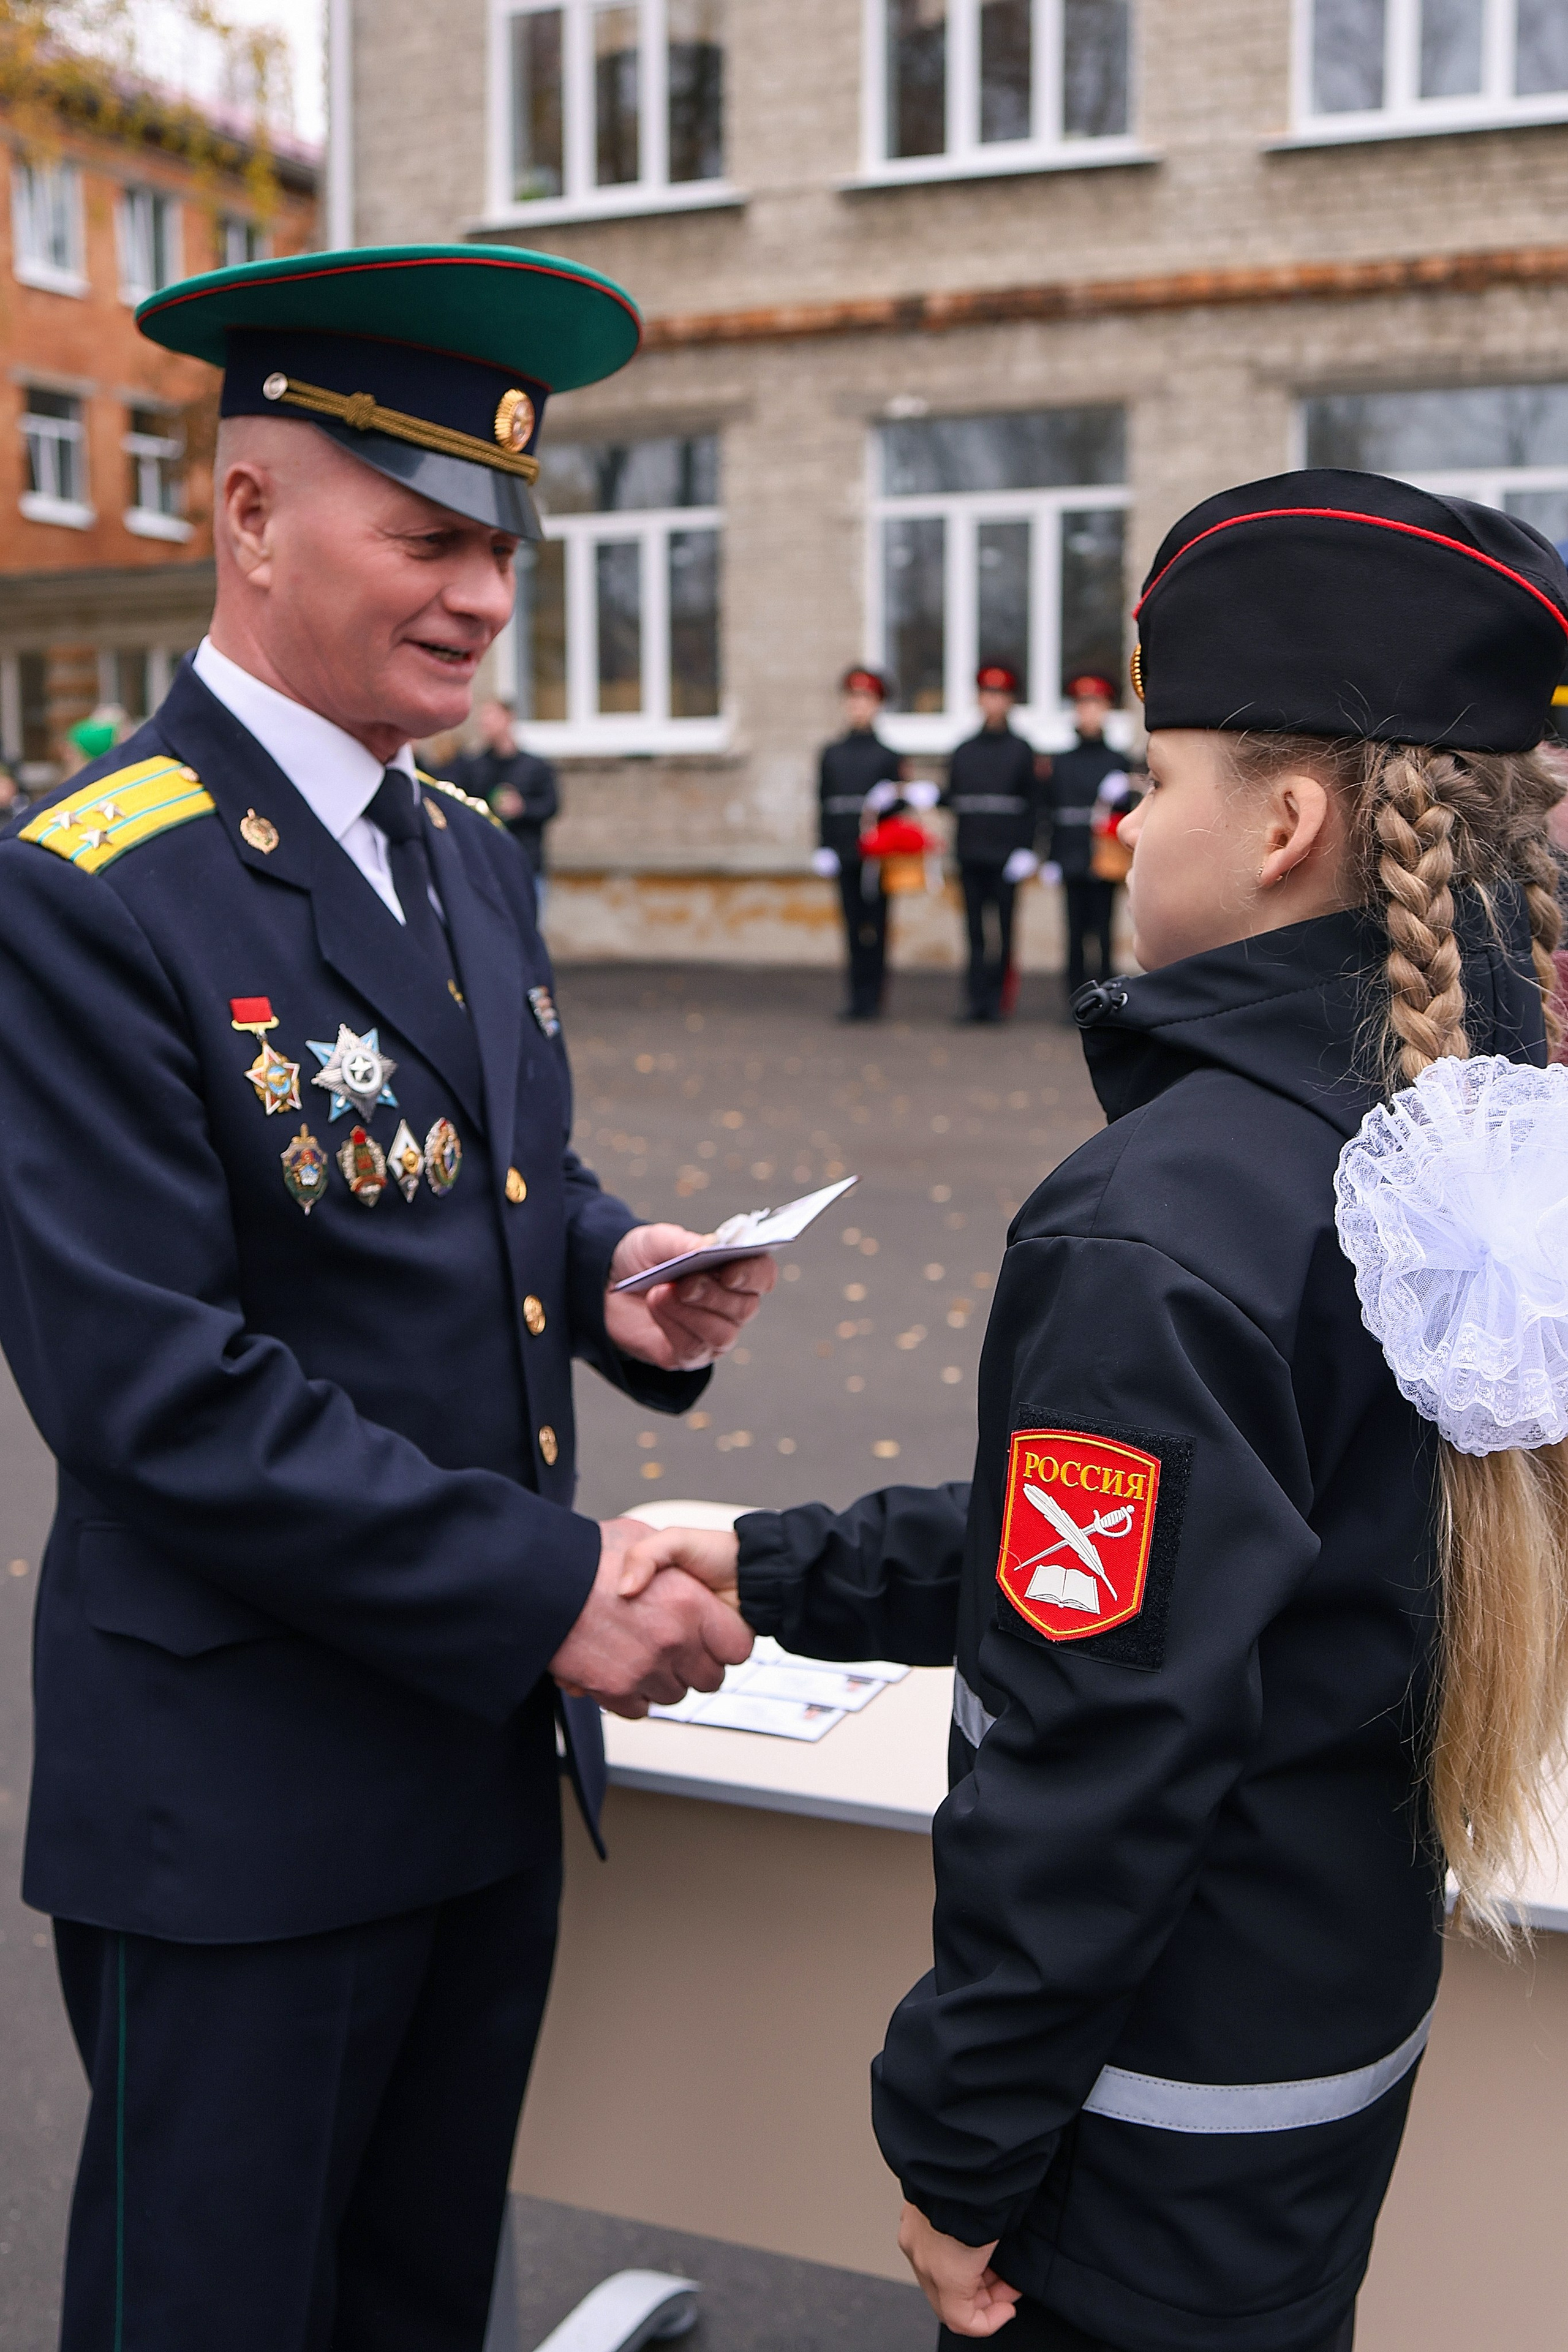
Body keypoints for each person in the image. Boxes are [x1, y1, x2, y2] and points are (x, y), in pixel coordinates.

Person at [621, 468, 1568, 2351]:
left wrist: (957, 2151)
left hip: (1136, 2142)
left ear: (1286, 821)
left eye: (1154, 784)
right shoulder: (1470, 1154)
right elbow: (1186, 1565)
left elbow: (1096, 1745)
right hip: (1312, 2071)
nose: (1124, 830)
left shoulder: (1164, 1213)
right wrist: (771, 1555)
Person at [0, 241, 775, 2352]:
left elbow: (471, 1176)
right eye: (426, 537)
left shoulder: (460, 853)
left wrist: (616, 1269)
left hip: (462, 1756)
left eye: (501, 550)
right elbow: (154, 1384)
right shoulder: (90, 887)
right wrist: (551, 1583)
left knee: (419, 2301)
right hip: (245, 1790)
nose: (481, 598)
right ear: (248, 515)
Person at [942, 663, 1044, 1023]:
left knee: (1003, 930)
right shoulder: (964, 750)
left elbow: (1033, 805)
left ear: (1011, 701)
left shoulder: (1021, 750)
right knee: (973, 931)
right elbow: (953, 798)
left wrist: (1028, 849)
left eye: (999, 695)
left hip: (1005, 855)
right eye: (987, 694)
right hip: (970, 852)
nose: (992, 702)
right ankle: (975, 1001)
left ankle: (1000, 1000)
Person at [815, 666, 904, 1020]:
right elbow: (823, 801)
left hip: (878, 857)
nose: (859, 706)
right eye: (853, 698)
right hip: (843, 849)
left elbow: (898, 808)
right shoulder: (832, 753)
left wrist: (893, 799)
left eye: (867, 699)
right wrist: (822, 845)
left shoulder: (888, 755)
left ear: (878, 705)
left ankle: (874, 997)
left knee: (877, 925)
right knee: (852, 926)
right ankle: (855, 997)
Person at [1039, 674, 1128, 1000]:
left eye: (1096, 705)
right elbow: (1050, 812)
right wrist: (1049, 858)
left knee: (1104, 931)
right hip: (1070, 852)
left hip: (1105, 854)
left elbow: (1130, 812)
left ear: (1106, 710)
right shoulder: (1061, 762)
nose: (1089, 713)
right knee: (1074, 932)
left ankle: (1105, 996)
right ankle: (1075, 998)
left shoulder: (1117, 760)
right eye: (1083, 706)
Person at [451, 695, 559, 922]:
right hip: (487, 864)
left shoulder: (535, 766)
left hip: (527, 864)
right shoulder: (474, 767)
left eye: (491, 716)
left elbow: (551, 806)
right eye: (482, 718)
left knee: (529, 933)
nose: (485, 723)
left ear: (509, 719)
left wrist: (522, 808)